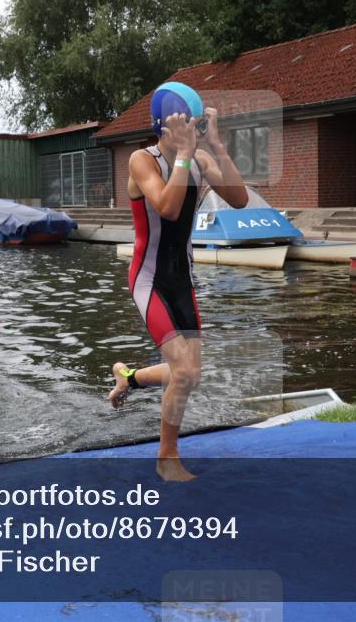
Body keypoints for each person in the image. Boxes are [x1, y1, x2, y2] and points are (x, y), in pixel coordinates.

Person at [107, 82, 248, 482]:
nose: (195, 131)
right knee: (184, 372)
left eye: (198, 125)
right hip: (148, 279)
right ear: (165, 126)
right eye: (190, 123)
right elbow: (168, 208)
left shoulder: (199, 157)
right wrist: (186, 154)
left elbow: (238, 199)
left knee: (190, 373)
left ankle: (129, 377)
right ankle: (166, 457)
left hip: (182, 280)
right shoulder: (141, 160)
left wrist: (217, 148)